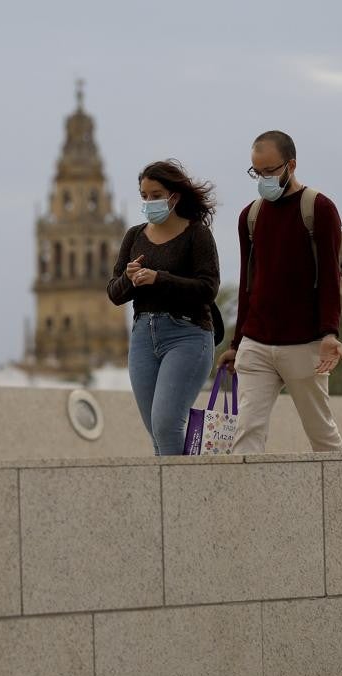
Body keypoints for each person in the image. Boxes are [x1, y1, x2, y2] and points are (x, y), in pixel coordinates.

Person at [217, 130, 342, 453]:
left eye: (269, 171)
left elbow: (330, 275)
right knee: (246, 434)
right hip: (256, 343)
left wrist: (330, 333)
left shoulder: (318, 208)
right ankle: (244, 504)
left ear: (291, 164)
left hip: (305, 344)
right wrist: (237, 343)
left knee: (321, 434)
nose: (262, 179)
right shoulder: (250, 216)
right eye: (256, 173)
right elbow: (248, 283)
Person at [108, 160, 221, 456]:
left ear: (175, 196)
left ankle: (179, 498)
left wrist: (160, 278)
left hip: (187, 334)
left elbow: (208, 289)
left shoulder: (196, 234)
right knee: (156, 432)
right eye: (144, 196)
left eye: (156, 195)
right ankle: (173, 495)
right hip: (144, 336)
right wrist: (130, 279)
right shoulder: (134, 236)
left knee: (167, 423)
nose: (149, 202)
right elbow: (114, 294)